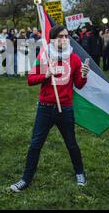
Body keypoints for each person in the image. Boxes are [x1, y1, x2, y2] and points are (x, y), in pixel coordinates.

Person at [10, 25, 90, 192]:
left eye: (67, 36)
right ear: (53, 39)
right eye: (61, 36)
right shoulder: (44, 56)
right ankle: (26, 179)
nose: (65, 39)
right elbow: (31, 79)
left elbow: (79, 86)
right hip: (45, 109)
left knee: (71, 144)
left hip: (65, 109)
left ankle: (80, 173)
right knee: (35, 145)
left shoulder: (74, 59)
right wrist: (46, 74)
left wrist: (83, 75)